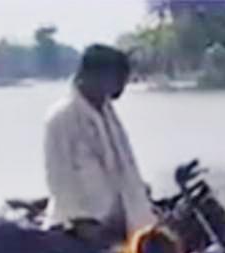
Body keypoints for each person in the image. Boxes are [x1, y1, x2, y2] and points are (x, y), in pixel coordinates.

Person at [44, 44, 155, 241]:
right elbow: (59, 178)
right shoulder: (61, 117)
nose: (123, 84)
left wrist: (143, 207)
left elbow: (127, 166)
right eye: (118, 78)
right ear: (94, 75)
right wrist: (80, 222)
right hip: (80, 229)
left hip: (119, 223)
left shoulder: (107, 112)